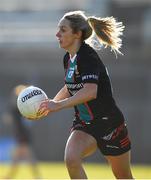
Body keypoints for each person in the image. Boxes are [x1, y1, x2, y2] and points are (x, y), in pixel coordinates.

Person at [38, 11, 133, 179]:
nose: (57, 34)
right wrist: (49, 104)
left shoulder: (88, 57)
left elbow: (90, 91)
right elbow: (70, 86)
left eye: (63, 30)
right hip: (84, 124)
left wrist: (58, 106)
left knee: (123, 176)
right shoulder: (68, 58)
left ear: (77, 34)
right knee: (71, 159)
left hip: (109, 124)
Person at [4, 85, 41, 179]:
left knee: (27, 157)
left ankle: (36, 176)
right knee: (19, 158)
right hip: (21, 135)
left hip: (22, 135)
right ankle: (11, 175)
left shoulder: (19, 108)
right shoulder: (18, 108)